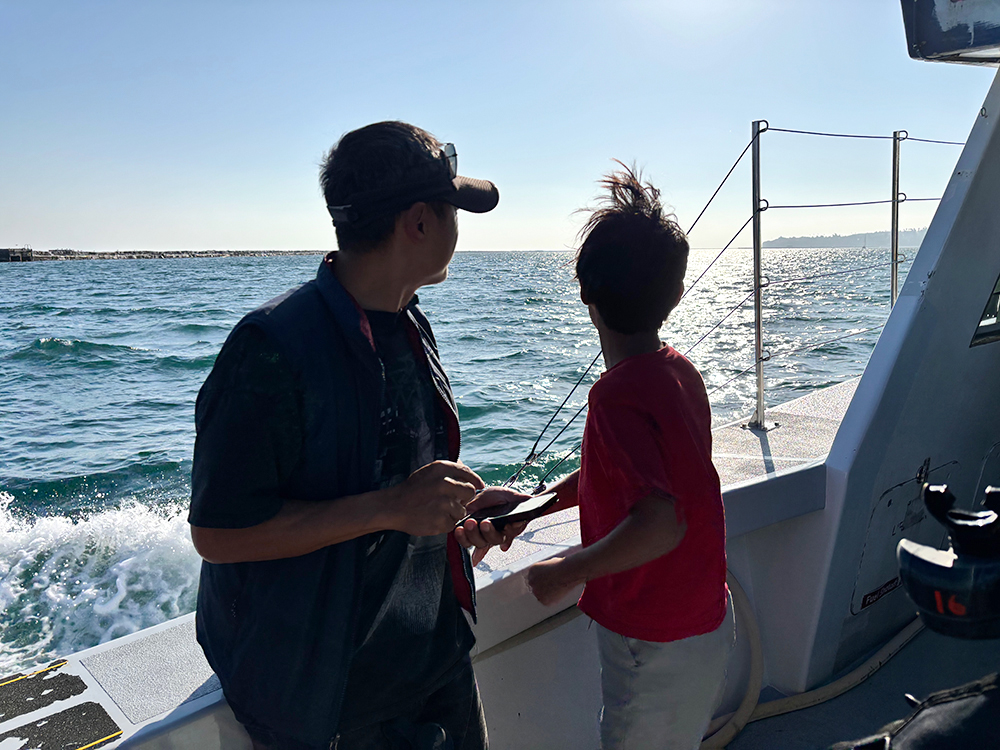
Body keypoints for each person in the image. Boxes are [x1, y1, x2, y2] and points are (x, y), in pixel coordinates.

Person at [188, 121, 524, 750]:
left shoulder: (408, 321)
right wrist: (391, 508)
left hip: (436, 660)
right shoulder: (268, 350)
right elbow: (217, 534)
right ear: (418, 222)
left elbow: (390, 486)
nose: (459, 228)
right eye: (453, 211)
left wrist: (458, 512)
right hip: (330, 699)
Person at [524, 164, 734, 750]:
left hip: (652, 640)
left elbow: (660, 521)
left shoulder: (615, 396)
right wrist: (534, 505)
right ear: (675, 295)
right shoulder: (679, 373)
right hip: (702, 620)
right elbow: (626, 478)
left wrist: (564, 573)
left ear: (585, 296)